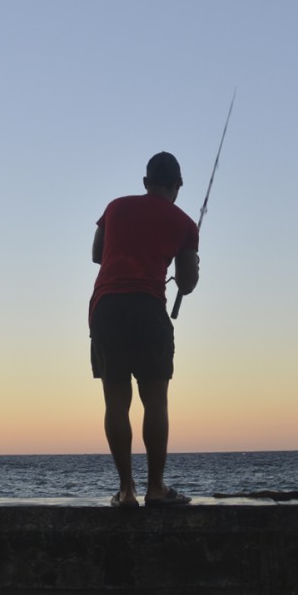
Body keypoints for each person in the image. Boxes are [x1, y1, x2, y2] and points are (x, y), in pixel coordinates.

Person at [90, 152, 200, 508]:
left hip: (106, 308)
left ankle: (125, 491)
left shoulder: (115, 207)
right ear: (178, 185)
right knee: (155, 400)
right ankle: (155, 488)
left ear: (145, 182)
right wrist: (190, 261)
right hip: (148, 309)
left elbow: (97, 254)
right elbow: (186, 283)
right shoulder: (185, 224)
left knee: (116, 403)